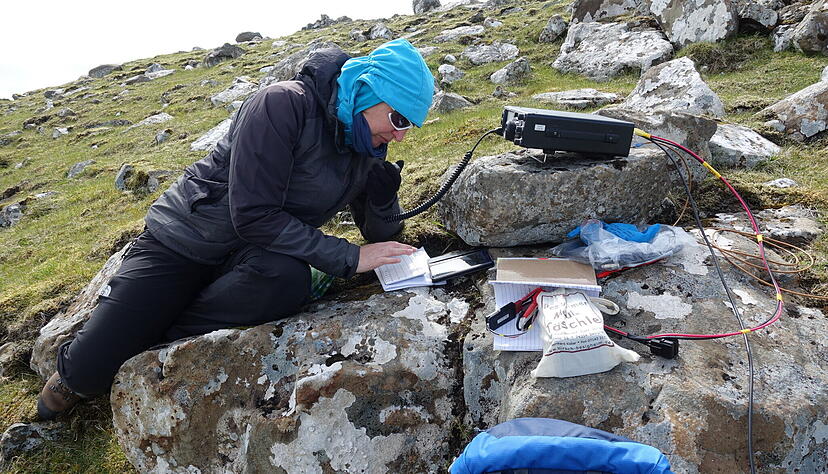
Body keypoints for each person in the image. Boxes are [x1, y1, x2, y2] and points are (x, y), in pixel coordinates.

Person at [37, 38, 436, 420]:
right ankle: (80, 361)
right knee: (88, 373)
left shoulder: (363, 142)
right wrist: (348, 257)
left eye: (410, 126)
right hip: (184, 241)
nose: (400, 134)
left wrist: (384, 199)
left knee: (286, 280)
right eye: (398, 118)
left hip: (252, 252)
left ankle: (155, 336)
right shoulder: (283, 104)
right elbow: (253, 213)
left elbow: (380, 238)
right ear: (367, 91)